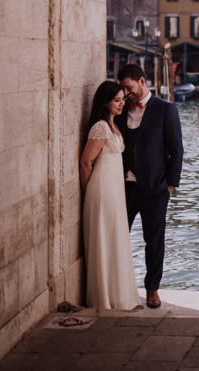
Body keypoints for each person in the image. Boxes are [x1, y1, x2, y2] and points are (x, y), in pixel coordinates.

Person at [117, 63, 184, 309]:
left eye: (129, 88)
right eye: (123, 89)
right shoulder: (120, 108)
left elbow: (176, 149)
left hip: (155, 189)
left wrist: (170, 185)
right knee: (117, 238)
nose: (126, 93)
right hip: (123, 188)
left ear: (142, 82)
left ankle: (152, 289)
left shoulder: (166, 109)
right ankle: (119, 286)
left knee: (154, 241)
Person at [79, 81, 143, 310]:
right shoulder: (100, 127)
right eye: (116, 100)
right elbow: (85, 162)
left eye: (122, 100)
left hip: (115, 190)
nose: (121, 104)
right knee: (105, 239)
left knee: (116, 239)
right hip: (102, 190)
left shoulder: (113, 125)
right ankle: (105, 298)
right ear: (105, 102)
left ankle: (121, 297)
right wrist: (88, 193)